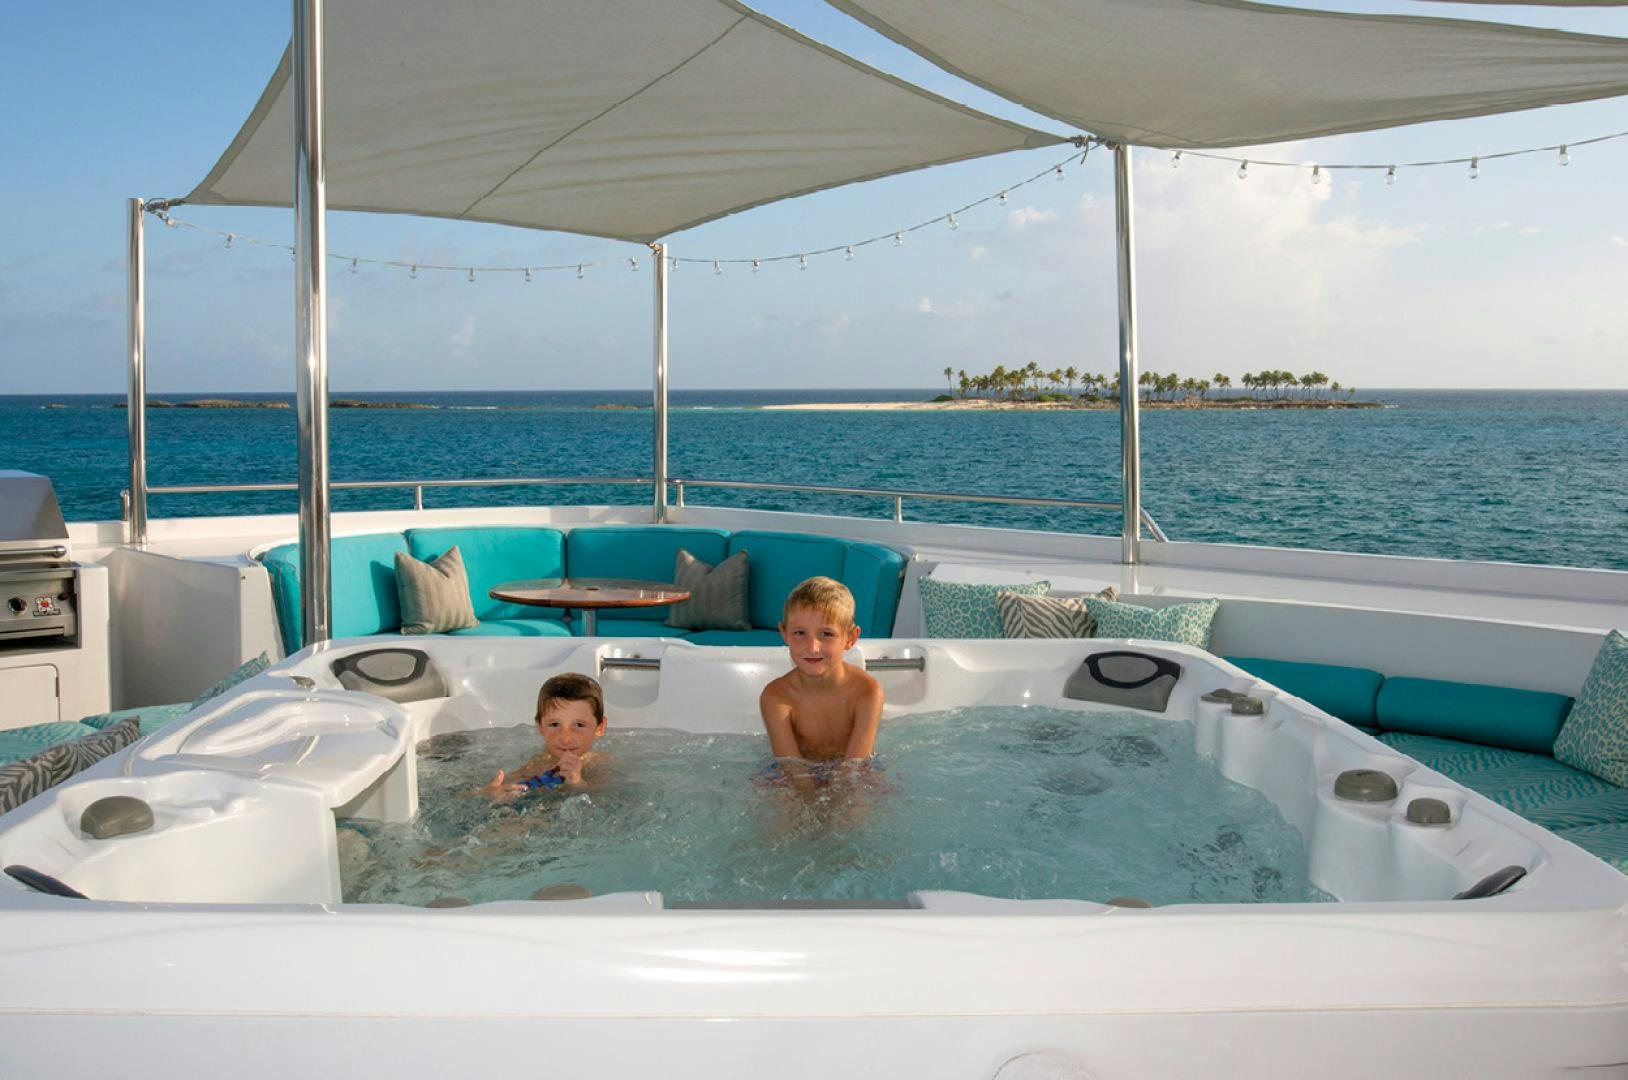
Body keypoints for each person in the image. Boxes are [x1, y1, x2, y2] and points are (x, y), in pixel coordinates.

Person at [759, 576, 884, 790]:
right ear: (784, 633)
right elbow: (793, 770)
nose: (813, 647)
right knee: (784, 807)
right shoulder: (776, 697)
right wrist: (809, 798)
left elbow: (854, 766)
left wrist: (836, 798)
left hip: (853, 769)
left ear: (850, 638)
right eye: (800, 633)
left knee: (860, 804)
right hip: (795, 771)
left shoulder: (867, 692)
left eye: (826, 634)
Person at [483, 672, 607, 798]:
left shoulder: (599, 764)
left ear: (599, 728)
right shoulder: (538, 764)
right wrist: (492, 792)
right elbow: (496, 788)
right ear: (540, 727)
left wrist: (577, 784)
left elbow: (602, 799)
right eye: (554, 725)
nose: (566, 738)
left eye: (579, 725)